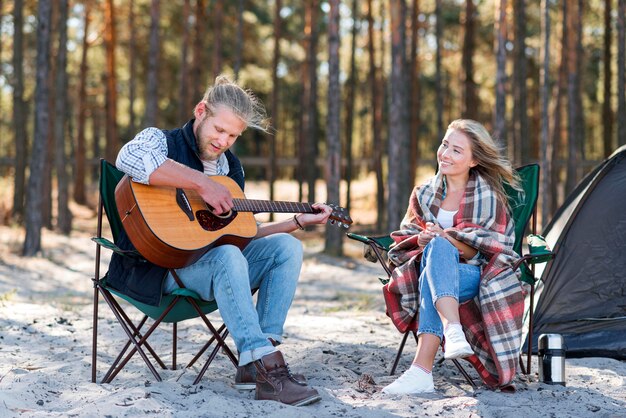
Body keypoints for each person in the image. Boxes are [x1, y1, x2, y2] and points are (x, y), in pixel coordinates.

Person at [108, 75, 332, 407]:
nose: (223, 140)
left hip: (212, 266)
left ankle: (260, 358)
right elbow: (129, 158)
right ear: (201, 111)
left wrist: (296, 221)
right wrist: (201, 183)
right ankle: (261, 366)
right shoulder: (160, 140)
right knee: (228, 255)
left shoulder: (230, 169)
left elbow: (243, 234)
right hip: (159, 269)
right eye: (219, 129)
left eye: (232, 135)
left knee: (287, 247)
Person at [381, 119, 523, 394]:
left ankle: (422, 370)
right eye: (445, 144)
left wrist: (449, 239)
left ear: (473, 160)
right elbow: (405, 237)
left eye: (457, 150)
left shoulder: (489, 197)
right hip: (431, 272)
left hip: (476, 276)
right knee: (434, 255)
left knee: (440, 249)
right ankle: (452, 330)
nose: (445, 154)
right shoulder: (423, 193)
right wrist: (421, 239)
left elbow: (492, 249)